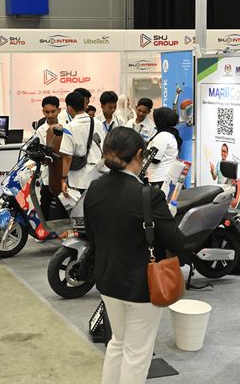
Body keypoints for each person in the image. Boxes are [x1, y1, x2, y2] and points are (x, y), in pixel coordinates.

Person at [84, 127, 184, 384]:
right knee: (137, 352)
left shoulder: (94, 188)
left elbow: (92, 236)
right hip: (142, 286)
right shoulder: (149, 197)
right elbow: (176, 241)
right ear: (139, 154)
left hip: (107, 280)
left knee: (118, 341)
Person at [60, 91, 105, 195]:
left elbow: (67, 157)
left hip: (78, 180)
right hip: (98, 176)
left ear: (69, 108)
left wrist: (63, 179)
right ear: (85, 105)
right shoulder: (98, 124)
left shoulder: (69, 128)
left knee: (79, 205)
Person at [34, 96, 67, 220]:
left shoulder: (66, 126)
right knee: (45, 203)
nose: (50, 115)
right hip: (48, 174)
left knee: (64, 204)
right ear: (43, 111)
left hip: (64, 172)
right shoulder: (40, 130)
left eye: (53, 111)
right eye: (47, 112)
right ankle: (45, 227)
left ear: (59, 110)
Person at [146, 107, 182, 188]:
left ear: (160, 120)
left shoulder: (162, 136)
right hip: (165, 177)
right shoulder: (169, 134)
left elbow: (155, 159)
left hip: (159, 179)